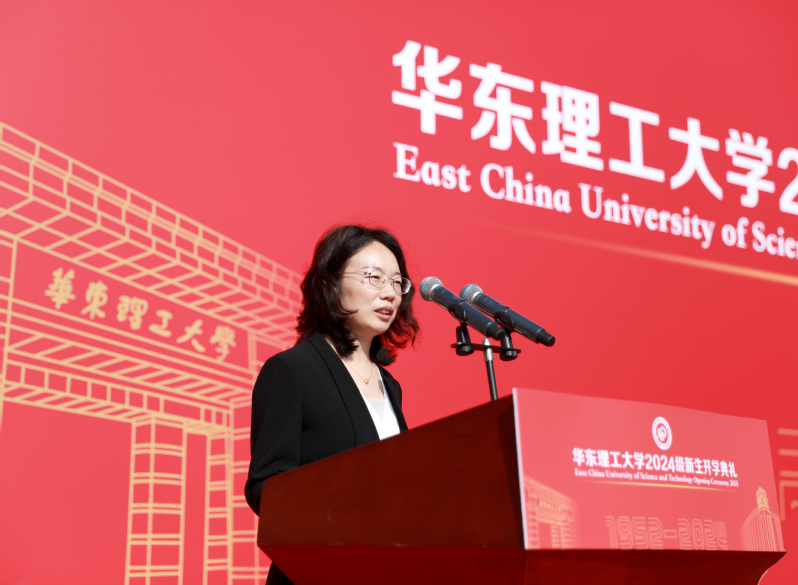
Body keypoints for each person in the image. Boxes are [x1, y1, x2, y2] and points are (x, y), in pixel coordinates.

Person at [244, 224, 419, 585]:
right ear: (330, 285)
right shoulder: (292, 370)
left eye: (397, 282)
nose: (389, 293)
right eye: (374, 278)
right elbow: (267, 489)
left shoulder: (390, 386)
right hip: (319, 572)